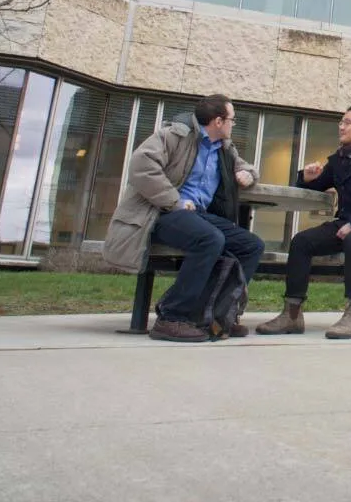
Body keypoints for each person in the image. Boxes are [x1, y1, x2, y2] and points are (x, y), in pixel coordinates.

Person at [103, 94, 262, 342]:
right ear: (218, 121)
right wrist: (173, 200)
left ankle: (214, 315)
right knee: (210, 239)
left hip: (198, 215)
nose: (234, 124)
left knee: (251, 245)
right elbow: (141, 166)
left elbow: (248, 167)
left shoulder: (225, 148)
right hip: (162, 212)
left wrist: (247, 173)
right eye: (232, 119)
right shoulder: (175, 135)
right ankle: (172, 317)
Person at [256, 103, 351, 340]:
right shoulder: (339, 159)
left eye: (347, 122)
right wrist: (305, 176)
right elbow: (314, 185)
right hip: (347, 224)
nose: (341, 126)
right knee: (302, 241)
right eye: (341, 122)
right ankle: (292, 313)